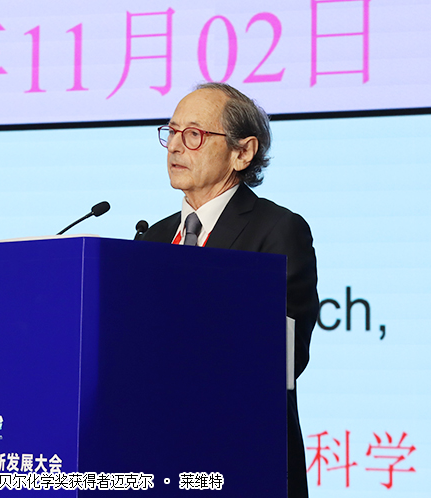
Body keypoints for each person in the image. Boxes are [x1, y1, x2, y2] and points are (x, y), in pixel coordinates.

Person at [140, 82, 318, 498]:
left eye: (194, 135)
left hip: (241, 459)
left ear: (243, 152)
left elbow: (286, 356)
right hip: (157, 459)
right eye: (171, 132)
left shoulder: (277, 229)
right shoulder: (152, 239)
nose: (175, 146)